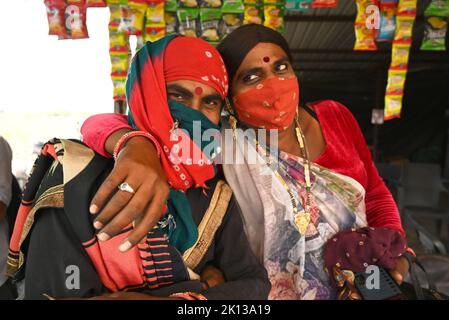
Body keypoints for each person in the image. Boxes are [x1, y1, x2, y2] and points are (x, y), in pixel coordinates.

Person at [79, 25, 411, 299]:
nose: (272, 84)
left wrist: (396, 250)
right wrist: (135, 145)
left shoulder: (334, 116)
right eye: (251, 77)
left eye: (280, 67)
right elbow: (101, 123)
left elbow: (376, 192)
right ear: (231, 100)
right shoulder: (221, 143)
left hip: (364, 277)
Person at [7, 35, 270, 300]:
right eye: (177, 95)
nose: (194, 114)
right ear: (145, 95)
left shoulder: (212, 190)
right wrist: (199, 286)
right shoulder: (76, 177)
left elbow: (255, 285)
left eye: (210, 103)